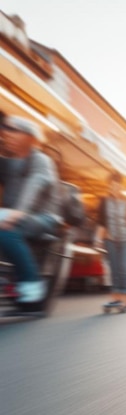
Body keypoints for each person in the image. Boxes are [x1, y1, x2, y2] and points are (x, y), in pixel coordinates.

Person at [0, 115, 62, 305]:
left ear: (30, 137)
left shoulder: (41, 160)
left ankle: (31, 283)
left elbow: (35, 184)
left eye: (13, 130)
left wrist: (18, 211)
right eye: (5, 130)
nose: (6, 133)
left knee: (6, 230)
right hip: (14, 214)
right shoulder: (8, 162)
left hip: (44, 218)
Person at [94, 171, 126, 311]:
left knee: (125, 267)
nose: (114, 189)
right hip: (110, 239)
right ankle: (116, 297)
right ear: (109, 186)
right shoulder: (103, 202)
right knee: (114, 269)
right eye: (111, 186)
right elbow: (101, 222)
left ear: (122, 186)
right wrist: (98, 239)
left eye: (117, 186)